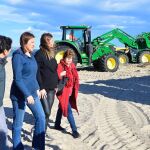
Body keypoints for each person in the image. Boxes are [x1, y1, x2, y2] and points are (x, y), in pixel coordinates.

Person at [10, 32, 45, 150]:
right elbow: (18, 79)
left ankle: (38, 146)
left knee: (41, 117)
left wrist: (38, 88)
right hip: (19, 95)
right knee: (18, 124)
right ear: (24, 43)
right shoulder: (17, 56)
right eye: (31, 42)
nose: (34, 45)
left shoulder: (31, 54)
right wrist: (27, 94)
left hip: (33, 93)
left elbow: (33, 75)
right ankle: (17, 147)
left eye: (34, 42)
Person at [35, 33, 58, 136]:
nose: (53, 42)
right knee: (46, 111)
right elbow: (37, 72)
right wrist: (41, 87)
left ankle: (43, 133)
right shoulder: (39, 54)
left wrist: (57, 83)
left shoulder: (52, 53)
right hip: (43, 88)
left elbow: (54, 70)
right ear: (46, 42)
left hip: (53, 87)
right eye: (51, 41)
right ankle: (39, 131)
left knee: (47, 113)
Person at [54, 49, 80, 138]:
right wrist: (60, 75)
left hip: (70, 91)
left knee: (61, 107)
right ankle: (74, 130)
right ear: (64, 58)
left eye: (70, 58)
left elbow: (75, 78)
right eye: (67, 58)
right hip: (63, 92)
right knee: (68, 110)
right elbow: (56, 76)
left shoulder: (72, 66)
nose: (69, 60)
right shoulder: (60, 66)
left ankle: (57, 125)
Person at [0, 35, 12, 150]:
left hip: (0, 104)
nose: (11, 50)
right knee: (3, 134)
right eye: (9, 48)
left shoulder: (2, 62)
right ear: (5, 51)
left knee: (4, 132)